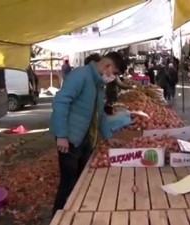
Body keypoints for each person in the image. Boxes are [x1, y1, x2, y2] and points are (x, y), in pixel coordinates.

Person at [49, 52, 128, 215]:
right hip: (70, 138)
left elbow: (99, 113)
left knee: (81, 180)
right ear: (108, 66)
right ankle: (58, 217)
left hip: (85, 137)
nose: (114, 77)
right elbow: (60, 102)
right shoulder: (80, 75)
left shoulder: (98, 83)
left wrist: (108, 137)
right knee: (68, 182)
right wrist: (62, 135)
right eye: (115, 73)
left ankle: (75, 215)